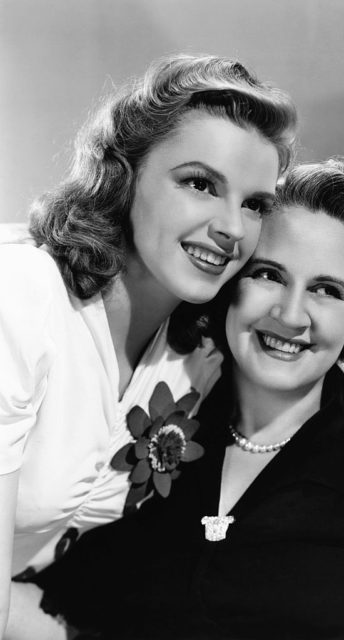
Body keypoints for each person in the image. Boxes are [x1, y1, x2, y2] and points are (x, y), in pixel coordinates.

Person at [30, 159, 344, 639]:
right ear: (228, 280)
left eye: (326, 290)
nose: (291, 314)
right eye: (268, 275)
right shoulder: (153, 424)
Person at [0, 52, 298, 638]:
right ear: (124, 174)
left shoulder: (198, 343)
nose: (233, 229)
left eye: (255, 204)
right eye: (200, 184)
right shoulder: (21, 301)